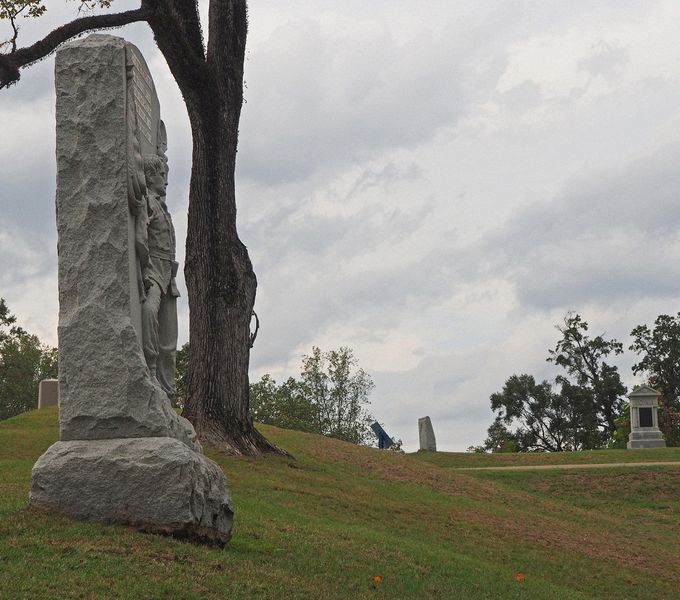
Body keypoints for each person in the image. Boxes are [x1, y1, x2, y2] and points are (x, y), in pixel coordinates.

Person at [138, 154, 179, 397]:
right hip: (154, 268)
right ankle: (150, 370)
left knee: (170, 337)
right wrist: (145, 269)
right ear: (150, 176)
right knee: (149, 310)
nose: (165, 180)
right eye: (161, 175)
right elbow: (141, 237)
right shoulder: (148, 204)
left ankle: (167, 390)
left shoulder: (161, 206)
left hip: (168, 273)